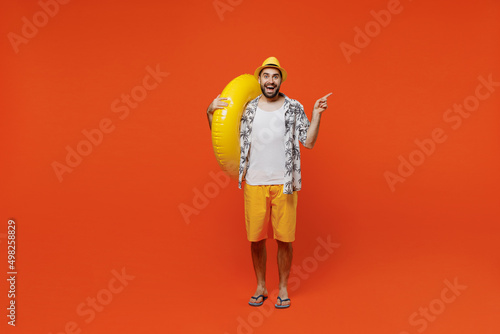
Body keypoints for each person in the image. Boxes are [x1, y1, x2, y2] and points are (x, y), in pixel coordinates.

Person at [206, 56, 331, 309]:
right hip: (254, 182)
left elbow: (308, 141)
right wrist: (209, 112)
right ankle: (261, 286)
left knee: (285, 239)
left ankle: (283, 287)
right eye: (266, 76)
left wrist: (316, 115)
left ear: (280, 80)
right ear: (260, 79)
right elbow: (224, 139)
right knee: (256, 239)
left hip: (285, 183)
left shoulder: (294, 107)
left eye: (275, 76)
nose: (270, 81)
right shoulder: (248, 109)